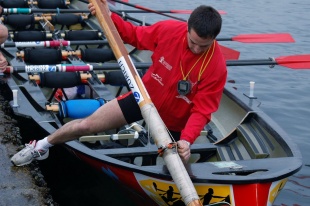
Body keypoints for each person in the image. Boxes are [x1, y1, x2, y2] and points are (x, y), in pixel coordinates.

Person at [11, 0, 227, 166]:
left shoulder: (216, 67)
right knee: (86, 125)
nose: (197, 49)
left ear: (214, 39)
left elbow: (202, 110)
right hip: (143, 100)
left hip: (176, 123)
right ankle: (41, 146)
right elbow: (133, 35)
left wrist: (188, 140)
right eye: (193, 43)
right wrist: (108, 16)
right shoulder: (169, 30)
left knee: (176, 166)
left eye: (203, 46)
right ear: (187, 28)